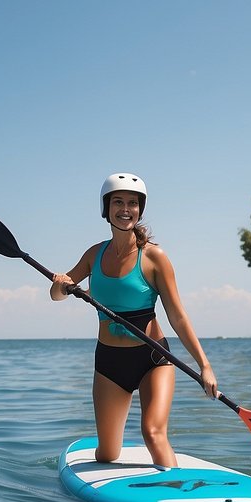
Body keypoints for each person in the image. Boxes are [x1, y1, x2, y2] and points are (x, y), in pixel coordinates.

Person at [50, 172, 217, 468]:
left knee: (153, 433)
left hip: (153, 358)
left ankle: (173, 494)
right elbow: (57, 295)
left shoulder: (154, 257)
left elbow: (177, 316)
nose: (125, 209)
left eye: (132, 203)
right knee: (107, 454)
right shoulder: (93, 254)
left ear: (139, 209)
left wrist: (204, 365)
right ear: (106, 209)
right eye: (118, 202)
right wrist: (62, 283)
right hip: (109, 363)